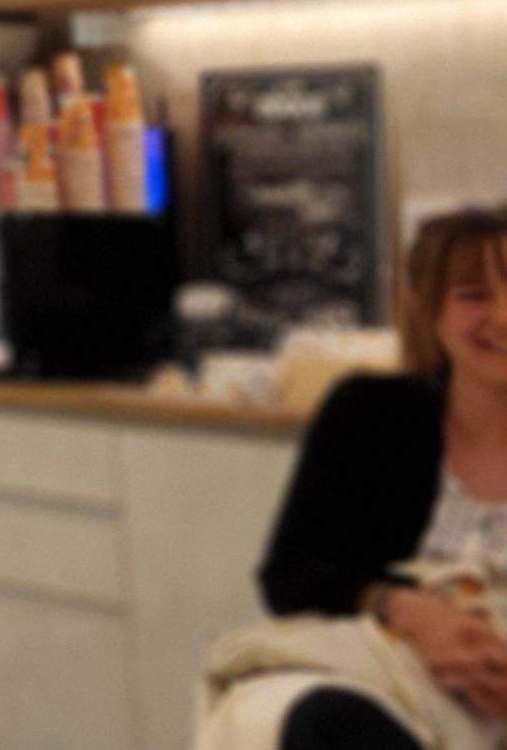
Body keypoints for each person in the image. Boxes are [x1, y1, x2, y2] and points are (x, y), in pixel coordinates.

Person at [207, 206, 507, 749]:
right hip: (390, 682)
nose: (503, 316)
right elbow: (290, 577)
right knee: (318, 720)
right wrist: (410, 610)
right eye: (473, 294)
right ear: (429, 307)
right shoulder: (371, 414)